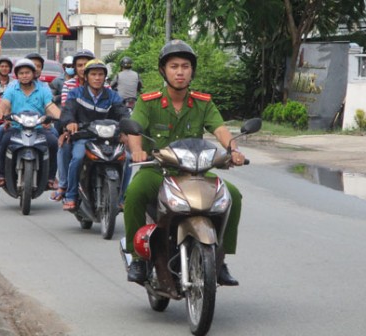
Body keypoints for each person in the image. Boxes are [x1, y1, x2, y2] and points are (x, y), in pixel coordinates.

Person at [124, 40, 243, 286]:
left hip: (195, 173)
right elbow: (135, 131)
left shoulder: (202, 102)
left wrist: (233, 149)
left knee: (233, 195)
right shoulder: (149, 102)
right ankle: (136, 258)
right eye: (174, 66)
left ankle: (219, 259)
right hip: (158, 171)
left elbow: (220, 129)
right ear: (163, 71)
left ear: (192, 70)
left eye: (186, 66)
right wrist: (137, 151)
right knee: (134, 193)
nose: (180, 72)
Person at [59, 59, 129, 211]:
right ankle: (70, 195)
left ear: (105, 77)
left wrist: (126, 128)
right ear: (86, 77)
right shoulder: (75, 93)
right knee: (77, 157)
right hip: (84, 137)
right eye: (94, 74)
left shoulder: (112, 96)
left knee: (128, 158)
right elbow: (67, 110)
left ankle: (122, 197)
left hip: (110, 139)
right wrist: (70, 122)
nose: (97, 78)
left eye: (101, 74)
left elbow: (123, 112)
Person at [0, 59, 61, 187]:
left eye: (27, 72)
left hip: (38, 127)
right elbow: (5, 103)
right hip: (17, 126)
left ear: (34, 74)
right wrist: (0, 112)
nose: (24, 76)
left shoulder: (43, 88)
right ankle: (1, 173)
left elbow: (50, 105)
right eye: (21, 73)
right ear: (16, 75)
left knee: (53, 143)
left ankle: (51, 177)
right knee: (5, 140)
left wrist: (61, 117)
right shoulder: (12, 88)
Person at [49, 49, 95, 201]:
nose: (83, 68)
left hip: (99, 130)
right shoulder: (69, 85)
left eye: (86, 64)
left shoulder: (103, 85)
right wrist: (68, 126)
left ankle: (120, 196)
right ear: (74, 68)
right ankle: (64, 185)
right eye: (79, 65)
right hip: (75, 129)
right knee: (65, 146)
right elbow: (66, 109)